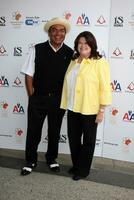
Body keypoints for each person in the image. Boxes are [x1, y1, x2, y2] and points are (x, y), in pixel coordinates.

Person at [20, 17, 73, 176]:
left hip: (58, 100)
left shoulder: (71, 53)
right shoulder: (37, 49)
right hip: (39, 98)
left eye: (61, 30)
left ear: (65, 33)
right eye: (54, 30)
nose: (58, 33)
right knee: (33, 130)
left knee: (55, 131)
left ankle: (51, 159)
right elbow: (29, 75)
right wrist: (32, 96)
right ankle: (30, 160)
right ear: (49, 33)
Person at [60, 31, 112, 181]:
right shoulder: (74, 61)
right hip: (73, 107)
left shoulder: (99, 62)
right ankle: (77, 165)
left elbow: (104, 87)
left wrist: (101, 110)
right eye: (79, 43)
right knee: (74, 139)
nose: (82, 45)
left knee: (88, 141)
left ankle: (83, 170)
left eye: (86, 43)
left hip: (90, 109)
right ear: (76, 45)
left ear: (92, 45)